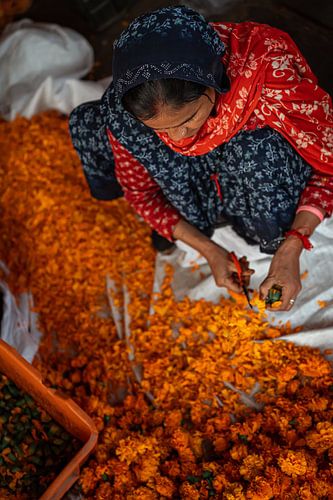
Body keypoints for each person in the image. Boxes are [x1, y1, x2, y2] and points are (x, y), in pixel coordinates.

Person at [69, 6, 333, 311]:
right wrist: (209, 250)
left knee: (258, 152)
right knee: (92, 124)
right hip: (202, 193)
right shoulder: (125, 119)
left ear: (214, 81)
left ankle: (264, 230)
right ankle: (205, 219)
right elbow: (142, 195)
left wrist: (292, 245)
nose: (180, 138)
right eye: (160, 129)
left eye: (190, 118)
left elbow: (327, 167)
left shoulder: (267, 76)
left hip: (251, 174)